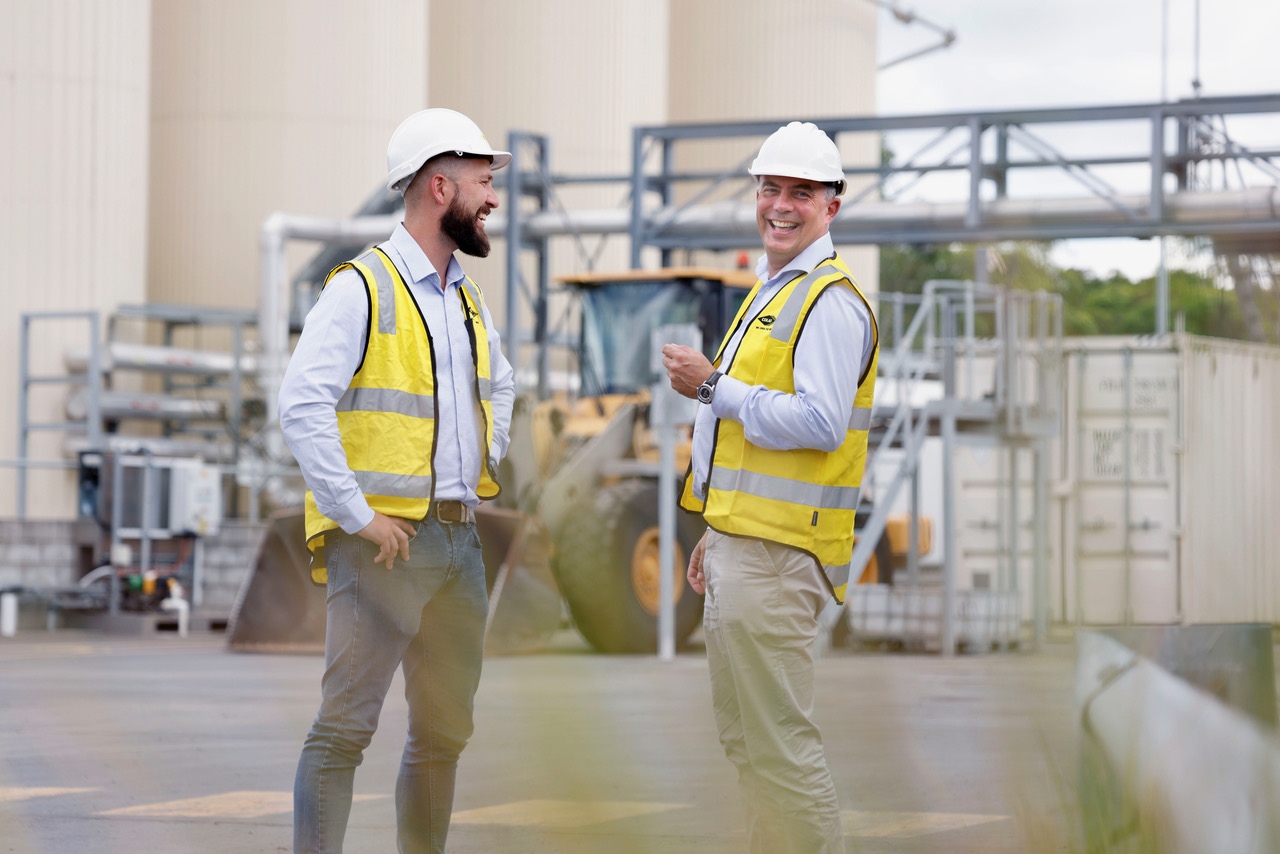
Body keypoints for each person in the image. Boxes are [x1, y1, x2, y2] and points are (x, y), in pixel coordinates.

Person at [280, 107, 515, 854]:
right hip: (385, 547)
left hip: (457, 542)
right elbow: (301, 404)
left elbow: (501, 386)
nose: (493, 199)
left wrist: (487, 455)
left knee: (443, 737)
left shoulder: (466, 300)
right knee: (345, 731)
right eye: (483, 182)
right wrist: (357, 515)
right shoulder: (361, 289)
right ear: (439, 187)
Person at [662, 121, 878, 853]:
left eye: (801, 193)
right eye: (771, 189)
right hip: (744, 549)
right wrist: (715, 534)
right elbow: (748, 445)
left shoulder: (829, 302)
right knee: (748, 744)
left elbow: (819, 423)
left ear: (832, 207)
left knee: (780, 746)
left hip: (779, 561)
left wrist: (712, 386)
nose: (781, 205)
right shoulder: (775, 291)